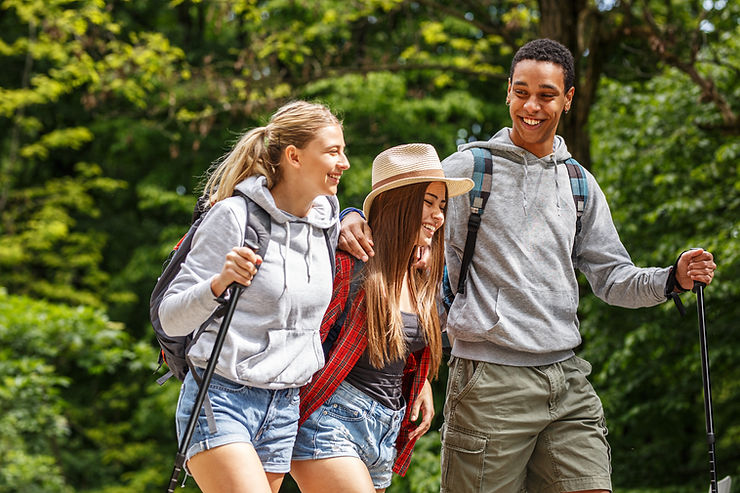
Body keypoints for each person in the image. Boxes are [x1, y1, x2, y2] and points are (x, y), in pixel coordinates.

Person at [338, 39, 717, 493]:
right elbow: (399, 221)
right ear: (508, 94)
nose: (531, 106)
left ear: (568, 99)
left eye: (546, 95)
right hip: (489, 381)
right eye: (521, 92)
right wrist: (349, 216)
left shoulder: (578, 183)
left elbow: (613, 278)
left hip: (566, 379)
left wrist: (670, 278)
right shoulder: (471, 169)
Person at [158, 100, 349, 493]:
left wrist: (353, 217)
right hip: (222, 397)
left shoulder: (326, 223)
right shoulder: (234, 216)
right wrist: (219, 283)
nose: (344, 162)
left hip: (283, 406)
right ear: (294, 156)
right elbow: (168, 317)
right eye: (332, 151)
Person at [290, 143, 474, 493]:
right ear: (399, 203)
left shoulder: (420, 274)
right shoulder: (350, 265)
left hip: (386, 430)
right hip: (331, 419)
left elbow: (402, 343)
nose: (438, 216)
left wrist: (419, 383)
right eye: (428, 203)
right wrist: (346, 215)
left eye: (443, 206)